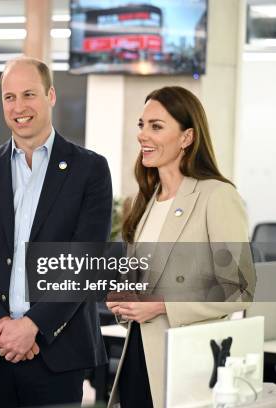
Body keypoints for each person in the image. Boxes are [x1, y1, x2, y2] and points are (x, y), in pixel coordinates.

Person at [0, 56, 113, 407]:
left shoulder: (90, 170)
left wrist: (33, 325)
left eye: (29, 94)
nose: (19, 107)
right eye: (10, 97)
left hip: (57, 354)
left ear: (50, 95)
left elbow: (85, 261)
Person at [107, 86, 254, 408]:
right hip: (136, 356)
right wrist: (124, 298)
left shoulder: (216, 196)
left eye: (156, 126)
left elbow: (240, 289)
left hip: (185, 364)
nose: (143, 135)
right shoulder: (145, 199)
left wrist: (162, 305)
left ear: (187, 137)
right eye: (141, 125)